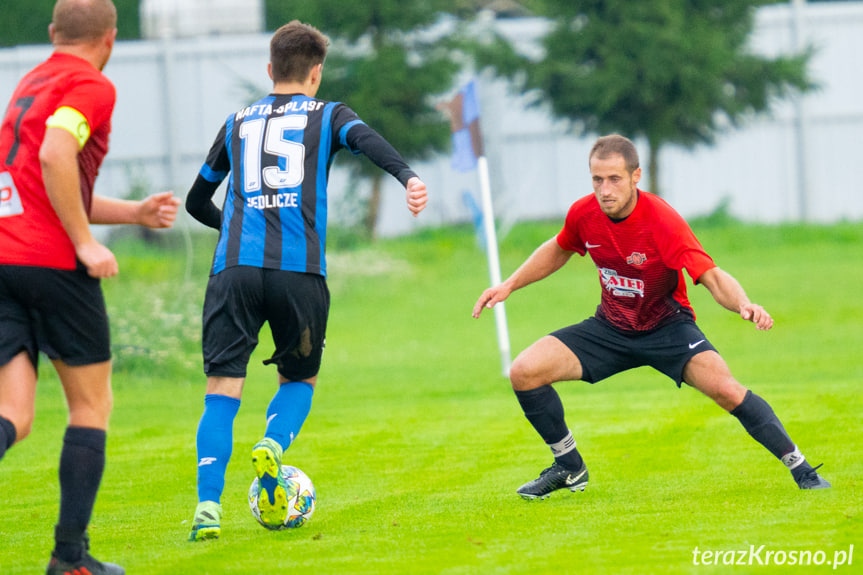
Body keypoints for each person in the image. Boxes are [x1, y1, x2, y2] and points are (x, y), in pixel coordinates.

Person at [472, 134, 830, 500]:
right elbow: (560, 247)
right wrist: (510, 285)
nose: (605, 189)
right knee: (524, 372)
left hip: (667, 328)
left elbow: (710, 275)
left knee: (726, 389)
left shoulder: (661, 221)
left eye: (614, 179)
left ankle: (802, 470)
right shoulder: (584, 213)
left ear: (635, 176)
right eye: (597, 179)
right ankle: (569, 467)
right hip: (610, 327)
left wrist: (744, 303)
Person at [184, 20, 428, 541]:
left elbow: (196, 201)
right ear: (316, 74)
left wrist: (235, 228)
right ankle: (273, 445)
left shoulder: (236, 123)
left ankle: (207, 507)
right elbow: (367, 141)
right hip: (299, 274)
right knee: (299, 380)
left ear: (270, 70)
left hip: (235, 270)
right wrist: (408, 177)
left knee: (221, 389)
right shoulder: (329, 115)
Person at [0, 1, 182, 573]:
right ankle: (70, 560)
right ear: (110, 37)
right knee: (91, 404)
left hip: (4, 258)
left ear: (54, 34)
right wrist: (84, 243)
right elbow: (58, 153)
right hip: (52, 265)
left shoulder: (31, 82)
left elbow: (44, 182)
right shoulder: (90, 84)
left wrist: (133, 213)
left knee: (14, 414)